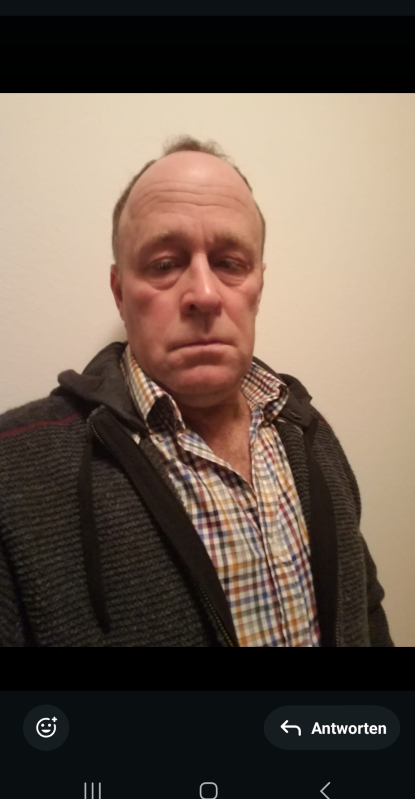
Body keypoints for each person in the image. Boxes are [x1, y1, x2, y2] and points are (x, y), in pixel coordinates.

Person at [0, 135, 393, 647]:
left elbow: (365, 610)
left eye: (230, 263)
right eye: (165, 264)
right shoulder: (13, 475)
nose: (205, 295)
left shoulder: (309, 431)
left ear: (258, 286)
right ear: (120, 293)